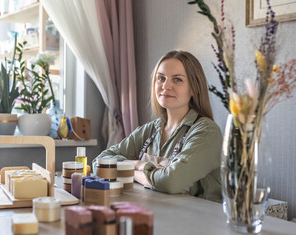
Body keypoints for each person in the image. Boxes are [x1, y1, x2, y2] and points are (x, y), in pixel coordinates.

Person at [92, 50, 222, 202]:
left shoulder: (206, 132)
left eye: (177, 80)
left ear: (194, 87)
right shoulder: (149, 130)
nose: (166, 86)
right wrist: (138, 165)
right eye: (161, 78)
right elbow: (100, 163)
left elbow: (171, 182)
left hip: (197, 222)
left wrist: (134, 171)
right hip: (156, 215)